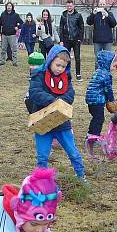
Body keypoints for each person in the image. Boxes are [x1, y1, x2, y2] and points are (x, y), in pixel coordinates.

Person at [28, 45, 87, 182]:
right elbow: (35, 93)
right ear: (50, 61)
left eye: (63, 66)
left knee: (73, 152)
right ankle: (42, 181)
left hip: (62, 123)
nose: (60, 69)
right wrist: (53, 101)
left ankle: (81, 176)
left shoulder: (66, 78)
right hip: (43, 123)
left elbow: (70, 94)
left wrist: (60, 103)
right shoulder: (39, 75)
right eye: (57, 65)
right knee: (42, 156)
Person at [84, 50, 116, 141]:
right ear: (107, 63)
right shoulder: (106, 75)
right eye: (113, 63)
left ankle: (90, 134)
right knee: (99, 119)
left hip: (91, 100)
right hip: (97, 101)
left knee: (96, 118)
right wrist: (111, 99)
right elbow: (107, 89)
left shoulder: (98, 71)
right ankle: (94, 136)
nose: (115, 65)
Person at [59, 0, 85, 80]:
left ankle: (78, 74)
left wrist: (80, 38)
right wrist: (61, 40)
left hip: (76, 40)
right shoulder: (63, 15)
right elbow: (61, 28)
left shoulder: (78, 15)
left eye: (70, 6)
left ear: (73, 6)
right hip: (66, 40)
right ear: (66, 6)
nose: (69, 7)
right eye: (67, 6)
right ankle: (66, 73)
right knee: (66, 58)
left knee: (77, 57)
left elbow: (81, 27)